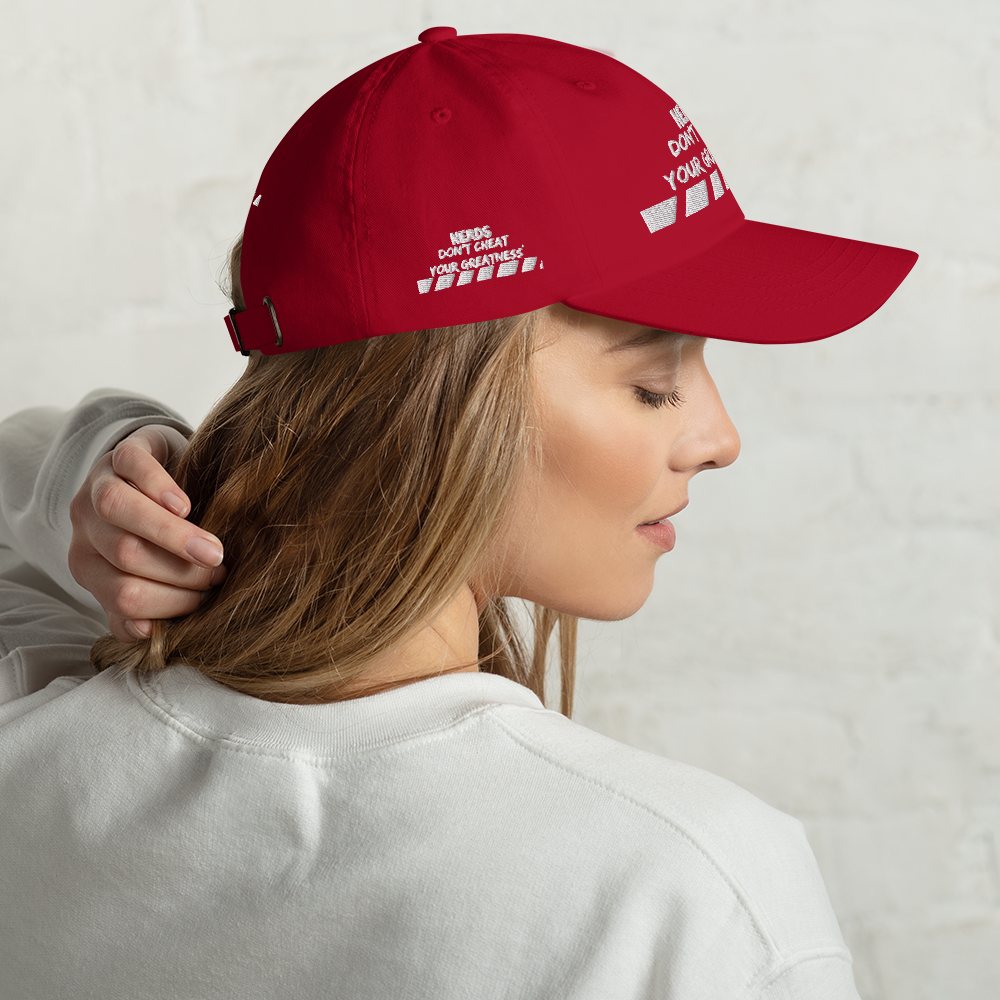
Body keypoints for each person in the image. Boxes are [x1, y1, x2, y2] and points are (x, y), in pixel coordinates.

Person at [0, 28, 916, 999]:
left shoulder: (35, 738)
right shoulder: (688, 895)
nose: (719, 437)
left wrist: (109, 463)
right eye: (653, 383)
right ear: (436, 410)